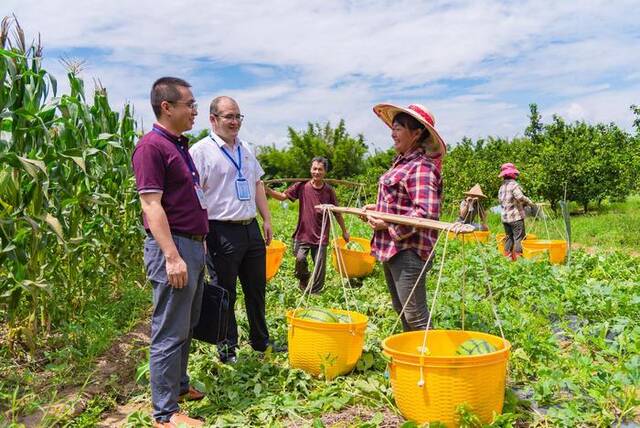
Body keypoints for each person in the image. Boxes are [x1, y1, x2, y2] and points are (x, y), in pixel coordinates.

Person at [132, 77, 206, 428]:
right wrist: (172, 256)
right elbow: (151, 204)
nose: (194, 110)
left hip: (191, 244)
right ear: (167, 107)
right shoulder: (151, 147)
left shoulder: (177, 145)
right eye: (189, 104)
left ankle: (179, 386)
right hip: (174, 247)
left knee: (186, 324)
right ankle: (165, 413)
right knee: (169, 330)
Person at [189, 96, 277, 364]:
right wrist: (200, 233)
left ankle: (261, 341)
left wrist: (266, 218)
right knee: (224, 292)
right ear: (213, 119)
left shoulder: (246, 149)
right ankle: (227, 347)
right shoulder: (201, 151)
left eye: (238, 116)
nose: (235, 122)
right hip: (219, 231)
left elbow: (258, 184)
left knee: (256, 288)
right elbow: (195, 195)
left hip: (249, 228)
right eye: (229, 116)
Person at [364, 103, 445, 331]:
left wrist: (385, 222)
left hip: (409, 251)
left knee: (415, 315)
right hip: (393, 249)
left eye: (399, 128)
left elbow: (425, 213)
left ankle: (429, 363)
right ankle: (411, 359)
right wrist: (377, 208)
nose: (393, 133)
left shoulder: (421, 167)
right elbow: (401, 203)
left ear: (416, 133)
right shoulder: (402, 163)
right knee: (402, 309)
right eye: (393, 127)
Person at [265, 157, 350, 293]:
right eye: (314, 169)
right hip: (303, 233)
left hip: (321, 235)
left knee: (319, 265)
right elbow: (282, 196)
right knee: (299, 259)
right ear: (311, 169)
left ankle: (315, 292)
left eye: (320, 169)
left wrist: (344, 231)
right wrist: (267, 190)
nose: (317, 172)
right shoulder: (302, 186)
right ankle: (304, 278)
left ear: (325, 172)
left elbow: (337, 213)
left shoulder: (329, 191)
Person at [497, 163, 535, 260]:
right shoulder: (514, 185)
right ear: (513, 174)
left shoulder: (501, 187)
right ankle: (519, 260)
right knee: (519, 238)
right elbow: (519, 197)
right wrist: (530, 203)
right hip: (515, 217)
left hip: (505, 218)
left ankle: (507, 258)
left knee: (509, 237)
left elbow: (501, 201)